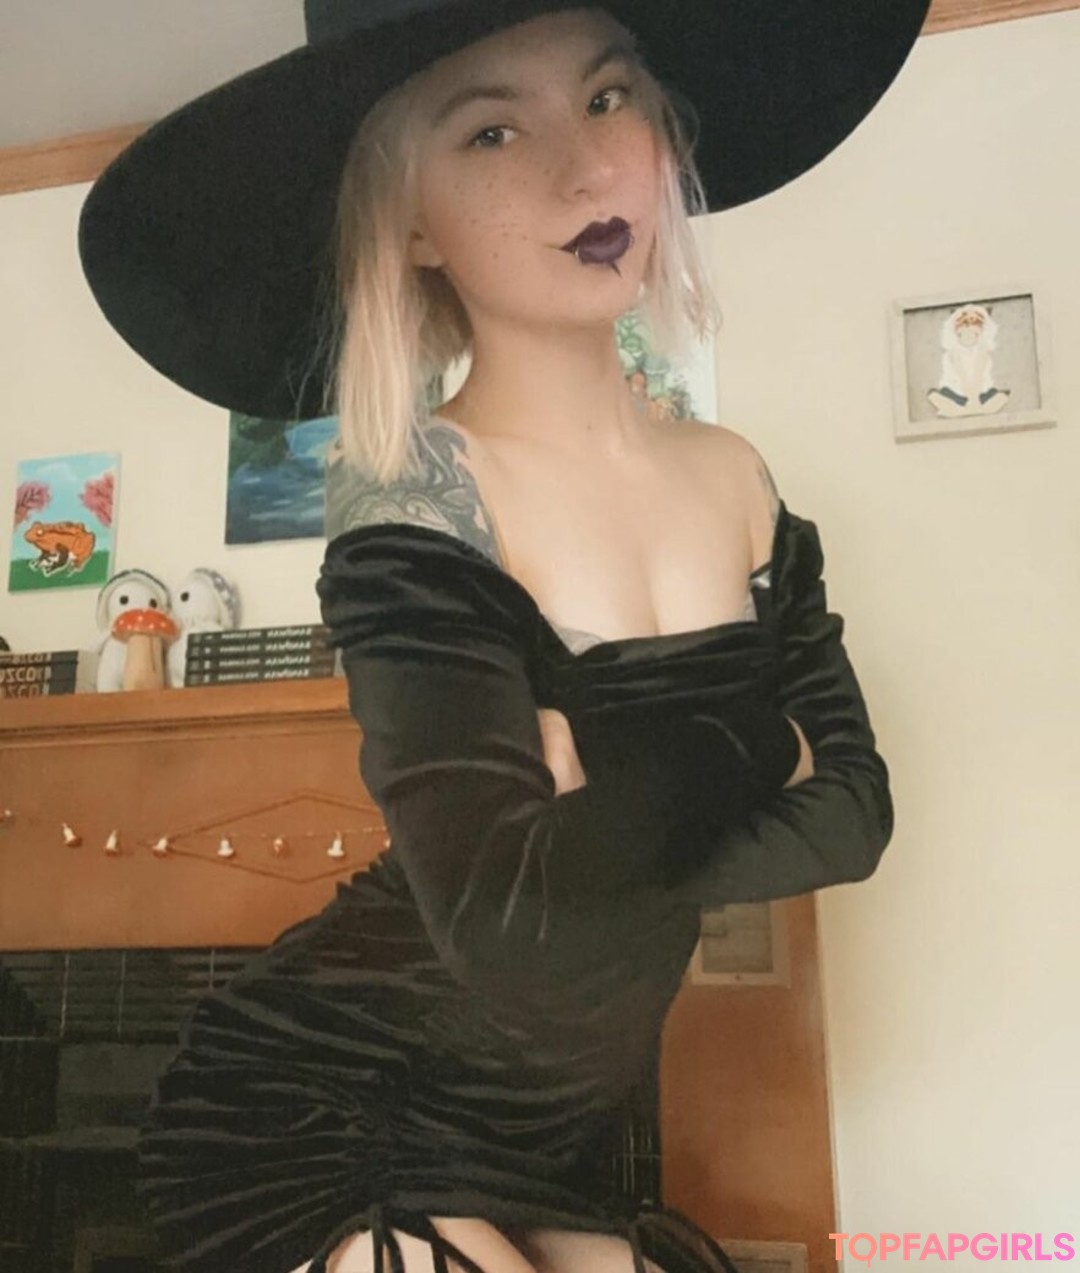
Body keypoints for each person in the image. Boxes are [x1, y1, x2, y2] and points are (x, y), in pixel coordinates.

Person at [78, 2, 931, 1270]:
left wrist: (602, 816)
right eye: (491, 132)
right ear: (412, 222)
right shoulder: (418, 495)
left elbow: (855, 819)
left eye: (606, 98)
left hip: (547, 1129)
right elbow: (504, 921)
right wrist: (760, 741)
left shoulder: (737, 474)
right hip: (318, 1100)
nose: (585, 170)